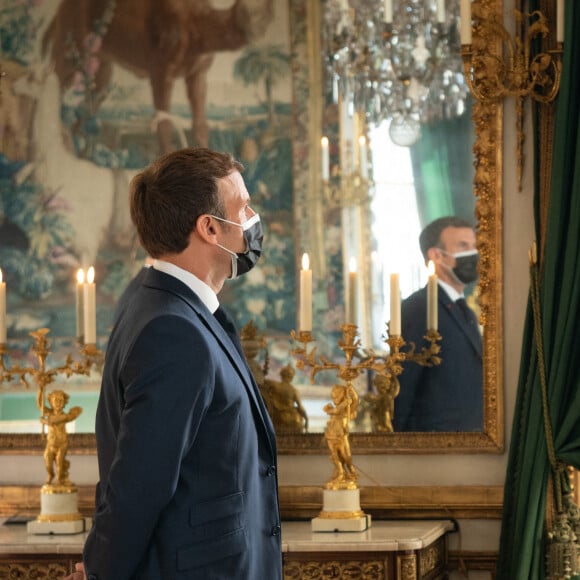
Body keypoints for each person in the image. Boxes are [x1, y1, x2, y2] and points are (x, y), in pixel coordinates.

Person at [66, 148, 282, 580]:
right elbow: (139, 484)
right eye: (243, 207)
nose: (253, 217)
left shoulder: (154, 299)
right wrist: (99, 572)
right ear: (209, 228)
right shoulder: (172, 329)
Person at [393, 216, 483, 432]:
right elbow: (403, 385)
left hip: (474, 440)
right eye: (463, 246)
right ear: (436, 255)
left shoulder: (467, 310)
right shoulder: (417, 307)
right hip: (435, 443)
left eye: (474, 246)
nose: (473, 254)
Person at [39, 389, 82, 486]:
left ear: (64, 403)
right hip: (50, 444)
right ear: (50, 402)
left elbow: (53, 421)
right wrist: (41, 390)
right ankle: (51, 475)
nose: (58, 403)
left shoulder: (64, 416)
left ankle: (59, 480)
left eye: (60, 400)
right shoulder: (49, 413)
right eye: (55, 400)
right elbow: (40, 405)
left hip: (62, 443)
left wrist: (44, 421)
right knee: (48, 463)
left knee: (59, 461)